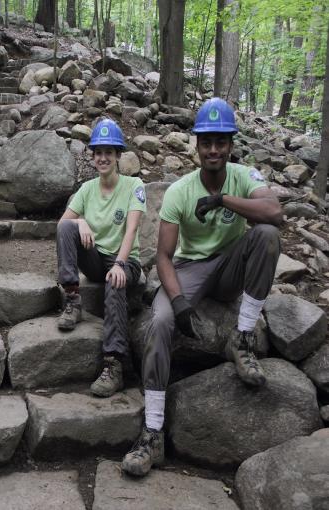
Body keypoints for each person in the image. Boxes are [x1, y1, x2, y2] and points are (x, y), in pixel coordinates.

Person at [121, 98, 283, 477]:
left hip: (231, 266)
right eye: (206, 141)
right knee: (158, 322)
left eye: (221, 141)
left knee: (267, 235)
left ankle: (241, 339)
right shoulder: (179, 191)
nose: (213, 149)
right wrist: (178, 302)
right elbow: (163, 256)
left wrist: (223, 199)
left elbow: (275, 213)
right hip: (190, 267)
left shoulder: (245, 176)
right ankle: (153, 432)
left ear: (230, 145)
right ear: (196, 145)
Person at [56, 118, 146, 397]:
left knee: (116, 281)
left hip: (124, 260)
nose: (103, 158)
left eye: (109, 152)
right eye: (98, 152)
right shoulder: (86, 189)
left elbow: (131, 230)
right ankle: (72, 298)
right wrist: (81, 220)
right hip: (96, 260)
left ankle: (114, 363)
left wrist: (120, 264)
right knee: (66, 226)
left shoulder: (133, 185)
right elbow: (63, 225)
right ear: (93, 157)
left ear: (118, 155)